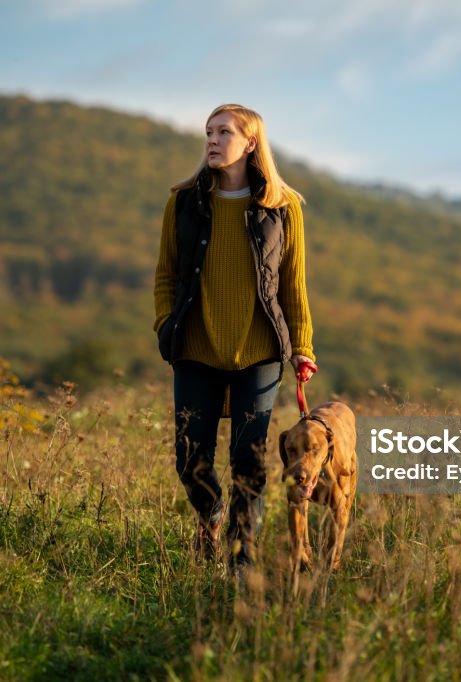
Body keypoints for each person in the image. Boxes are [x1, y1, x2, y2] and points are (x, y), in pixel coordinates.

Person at [153, 104, 315, 571]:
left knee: (249, 460)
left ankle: (242, 558)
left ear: (250, 143)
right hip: (195, 347)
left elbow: (293, 285)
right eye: (209, 131)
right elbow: (165, 275)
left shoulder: (282, 207)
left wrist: (302, 346)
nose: (212, 139)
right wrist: (165, 324)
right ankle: (212, 512)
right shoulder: (183, 203)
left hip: (260, 351)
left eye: (224, 132)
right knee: (191, 458)